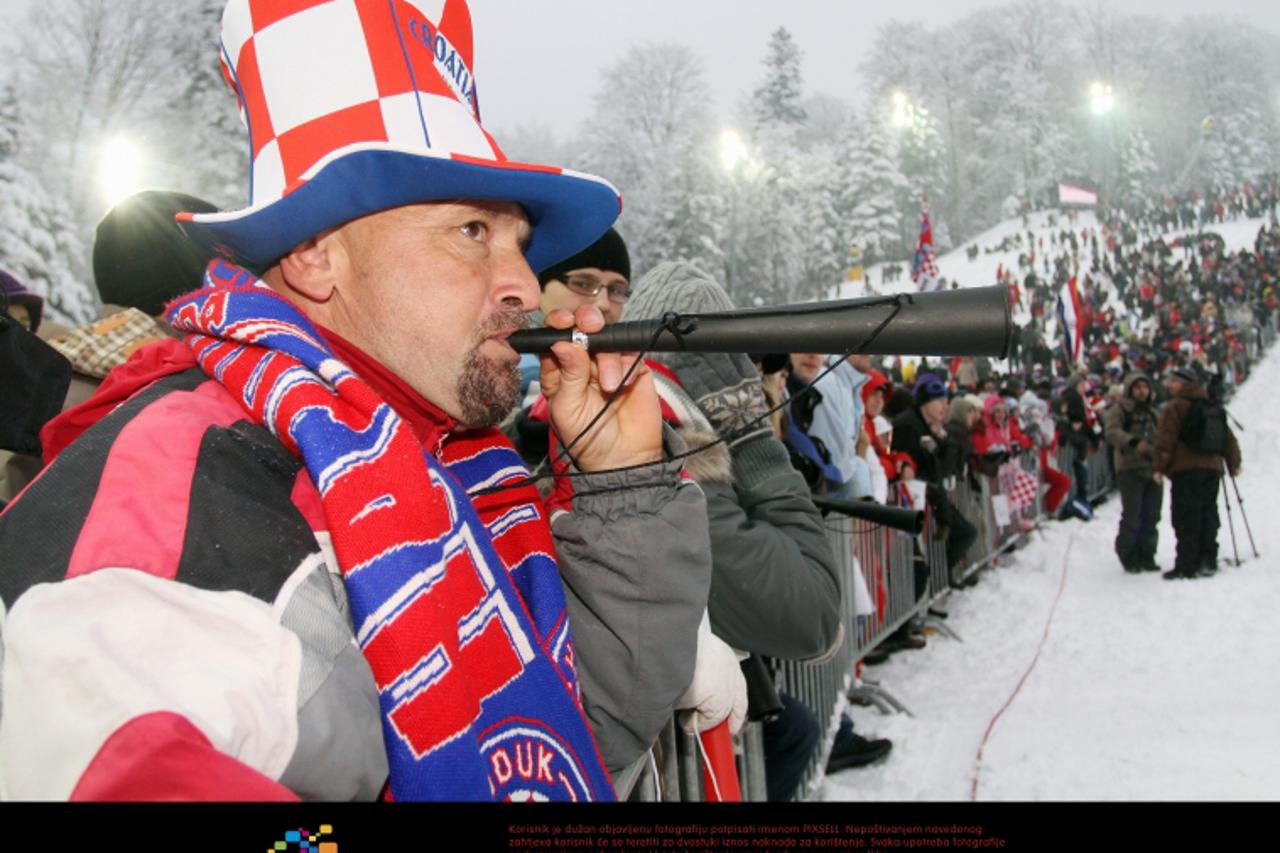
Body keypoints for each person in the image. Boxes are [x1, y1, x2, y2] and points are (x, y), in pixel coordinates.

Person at [0, 0, 710, 801]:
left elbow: (562, 736)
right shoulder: (175, 483)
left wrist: (621, 490)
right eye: (472, 231)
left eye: (519, 242)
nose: (520, 285)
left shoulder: (447, 461)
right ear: (312, 258)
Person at [1154, 367, 1241, 580]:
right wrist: (1233, 463)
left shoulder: (1176, 406)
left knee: (1186, 516)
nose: (1169, 386)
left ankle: (1187, 564)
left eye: (1173, 382)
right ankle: (1208, 559)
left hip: (1185, 470)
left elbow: (1166, 439)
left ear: (1184, 384)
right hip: (1212, 468)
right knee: (1208, 513)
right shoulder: (1211, 405)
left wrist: (1159, 467)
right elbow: (1228, 438)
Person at [1103, 372, 1164, 573]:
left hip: (1153, 469)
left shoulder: (1154, 413)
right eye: (1137, 387)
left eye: (1144, 387)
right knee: (1132, 515)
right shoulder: (1119, 410)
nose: (1142, 391)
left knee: (1152, 515)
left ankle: (1147, 555)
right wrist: (1133, 442)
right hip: (1129, 468)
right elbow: (1112, 432)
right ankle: (1129, 556)